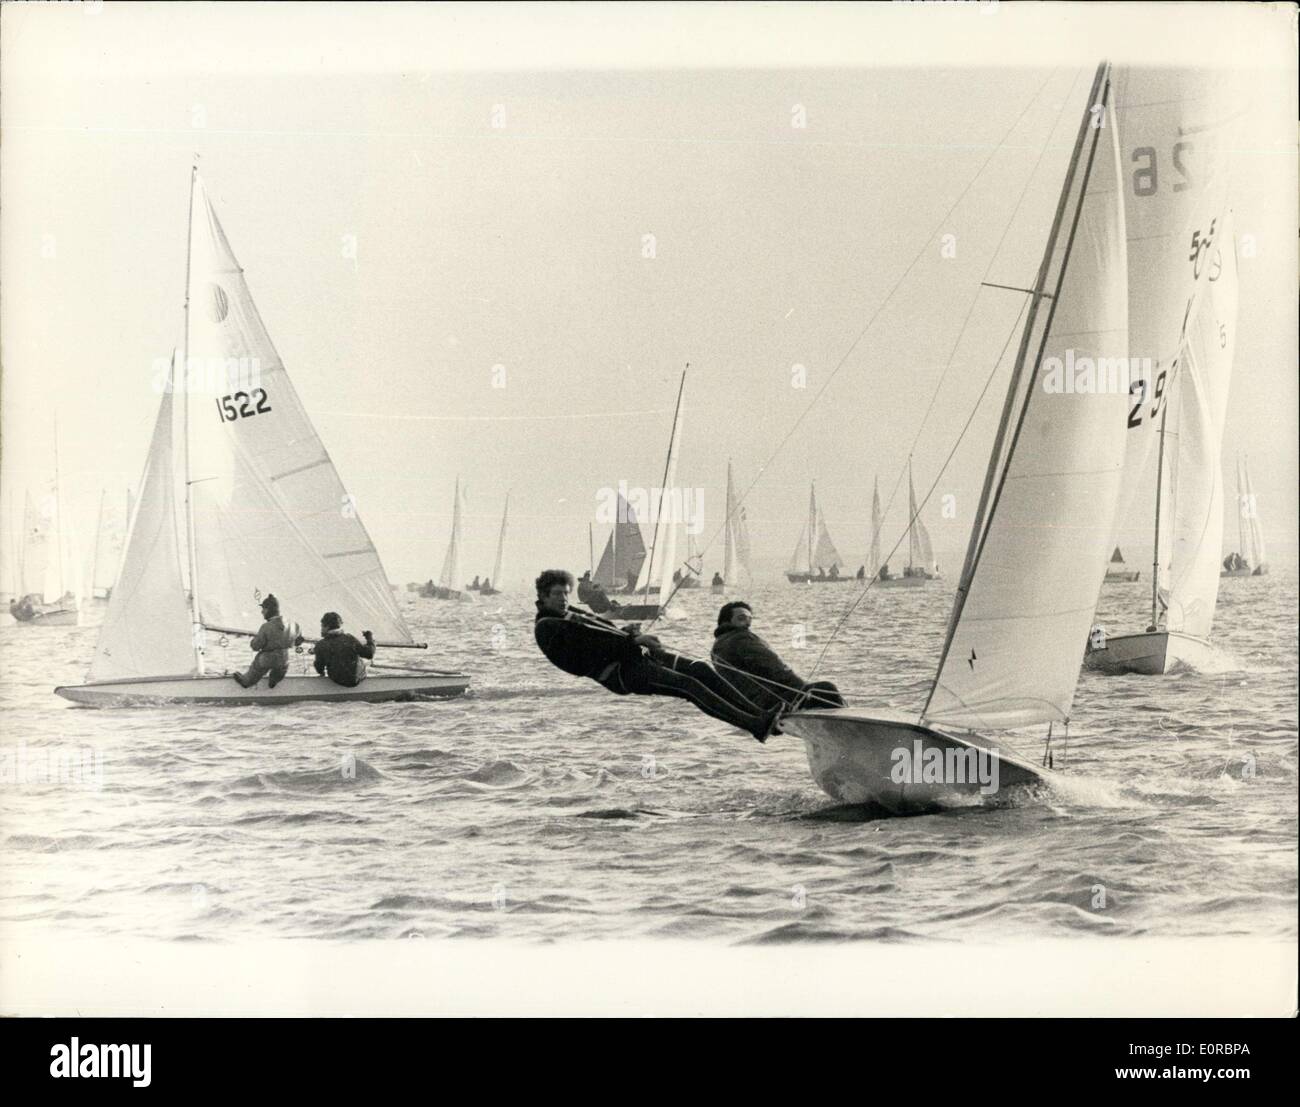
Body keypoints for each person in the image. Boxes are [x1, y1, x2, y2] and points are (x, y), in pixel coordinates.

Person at [532, 569, 781, 742]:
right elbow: (583, 658)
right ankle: (756, 726)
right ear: (544, 596)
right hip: (620, 674)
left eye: (566, 593)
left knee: (700, 669)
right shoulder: (547, 628)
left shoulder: (565, 613)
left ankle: (759, 712)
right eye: (557, 594)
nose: (564, 599)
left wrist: (627, 633)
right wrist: (632, 641)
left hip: (634, 656)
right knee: (689, 685)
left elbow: (604, 632)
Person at [710, 601, 844, 714]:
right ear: (725, 621)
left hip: (751, 705)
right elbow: (775, 668)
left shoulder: (718, 646)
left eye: (750, 619)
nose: (748, 623)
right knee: (825, 689)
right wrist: (803, 690)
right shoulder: (741, 638)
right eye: (742, 618)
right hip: (770, 703)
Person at [232, 594, 297, 689]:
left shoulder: (266, 627)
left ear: (268, 610)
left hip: (268, 657)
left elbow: (256, 646)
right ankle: (273, 680)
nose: (262, 612)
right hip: (284, 657)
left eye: (263, 609)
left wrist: (253, 641)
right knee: (281, 668)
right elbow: (298, 639)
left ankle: (246, 682)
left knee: (257, 666)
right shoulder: (291, 624)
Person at [313, 611, 375, 687]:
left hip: (337, 681)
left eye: (322, 626)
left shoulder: (320, 644)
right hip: (355, 680)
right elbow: (369, 654)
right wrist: (369, 638)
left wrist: (322, 673)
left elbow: (319, 668)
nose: (321, 629)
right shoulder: (349, 638)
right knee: (358, 659)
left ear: (327, 627)